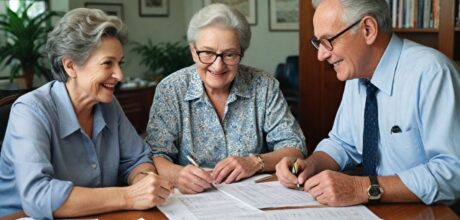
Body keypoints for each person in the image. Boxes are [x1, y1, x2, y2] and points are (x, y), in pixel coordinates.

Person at [276, 0, 460, 207]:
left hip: (428, 211)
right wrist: (310, 165)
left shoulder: (432, 73)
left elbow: (453, 173)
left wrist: (360, 188)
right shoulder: (357, 72)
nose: (321, 55)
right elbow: (342, 143)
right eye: (318, 43)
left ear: (368, 29)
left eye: (328, 41)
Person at [0, 8, 173, 219]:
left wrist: (144, 181)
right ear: (71, 66)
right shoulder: (30, 111)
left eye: (120, 63)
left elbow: (136, 159)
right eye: (107, 63)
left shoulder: (108, 104)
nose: (119, 75)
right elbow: (39, 196)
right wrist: (129, 196)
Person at [145, 3, 307, 194]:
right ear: (193, 51)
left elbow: (295, 147)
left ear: (241, 53)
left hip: (255, 197)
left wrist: (255, 162)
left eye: (229, 54)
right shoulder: (171, 89)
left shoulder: (264, 85)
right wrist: (177, 174)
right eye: (207, 53)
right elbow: (155, 154)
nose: (218, 65)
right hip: (192, 198)